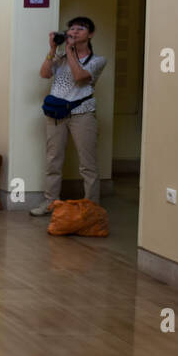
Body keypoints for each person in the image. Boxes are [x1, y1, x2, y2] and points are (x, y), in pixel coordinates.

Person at [31, 16, 107, 216]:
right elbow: (44, 74)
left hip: (83, 113)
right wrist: (53, 50)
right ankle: (50, 202)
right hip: (56, 113)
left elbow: (80, 77)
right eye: (71, 29)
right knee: (53, 159)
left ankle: (92, 208)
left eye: (80, 29)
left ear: (90, 34)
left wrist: (71, 51)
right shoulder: (61, 56)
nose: (73, 32)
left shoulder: (98, 60)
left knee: (88, 164)